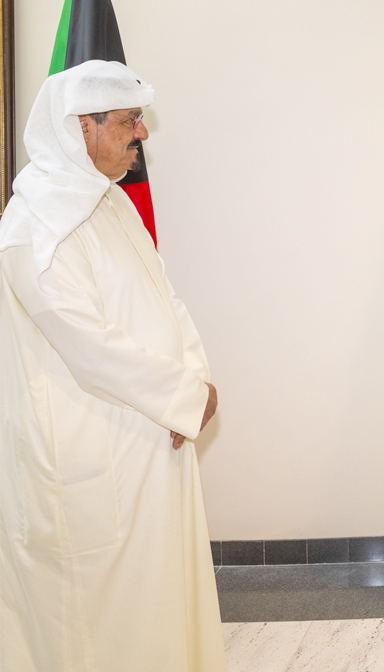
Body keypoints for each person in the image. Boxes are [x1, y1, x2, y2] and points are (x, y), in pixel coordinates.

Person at [0, 60, 226, 671]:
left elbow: (165, 299)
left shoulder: (113, 203)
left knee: (160, 615)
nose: (142, 133)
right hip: (92, 460)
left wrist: (194, 381)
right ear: (83, 127)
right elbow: (89, 347)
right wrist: (182, 397)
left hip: (151, 440)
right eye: (130, 120)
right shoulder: (35, 227)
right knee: (98, 631)